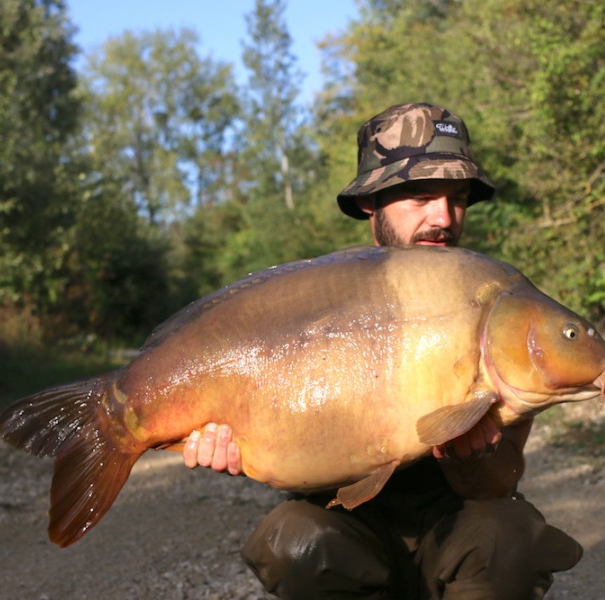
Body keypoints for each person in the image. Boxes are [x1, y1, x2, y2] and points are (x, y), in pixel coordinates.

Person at [183, 103, 583, 599]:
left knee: (510, 537)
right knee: (293, 540)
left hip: (452, 527)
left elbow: (495, 488)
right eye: (420, 196)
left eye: (458, 198)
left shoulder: (488, 306)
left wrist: (466, 456)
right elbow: (285, 455)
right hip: (350, 528)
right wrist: (234, 441)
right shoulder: (319, 298)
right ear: (371, 203)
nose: (444, 218)